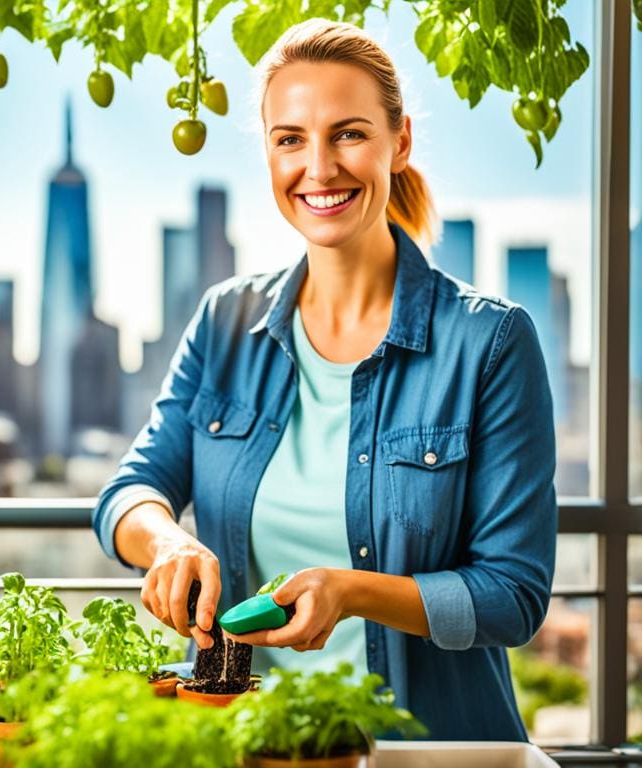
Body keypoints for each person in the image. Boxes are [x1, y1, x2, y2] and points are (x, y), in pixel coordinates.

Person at [92, 18, 556, 741]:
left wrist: (352, 592)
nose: (319, 167)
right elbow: (129, 493)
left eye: (349, 133)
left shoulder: (489, 342)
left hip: (423, 751)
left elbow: (513, 597)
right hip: (240, 745)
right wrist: (168, 544)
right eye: (290, 139)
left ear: (398, 142)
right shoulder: (223, 322)